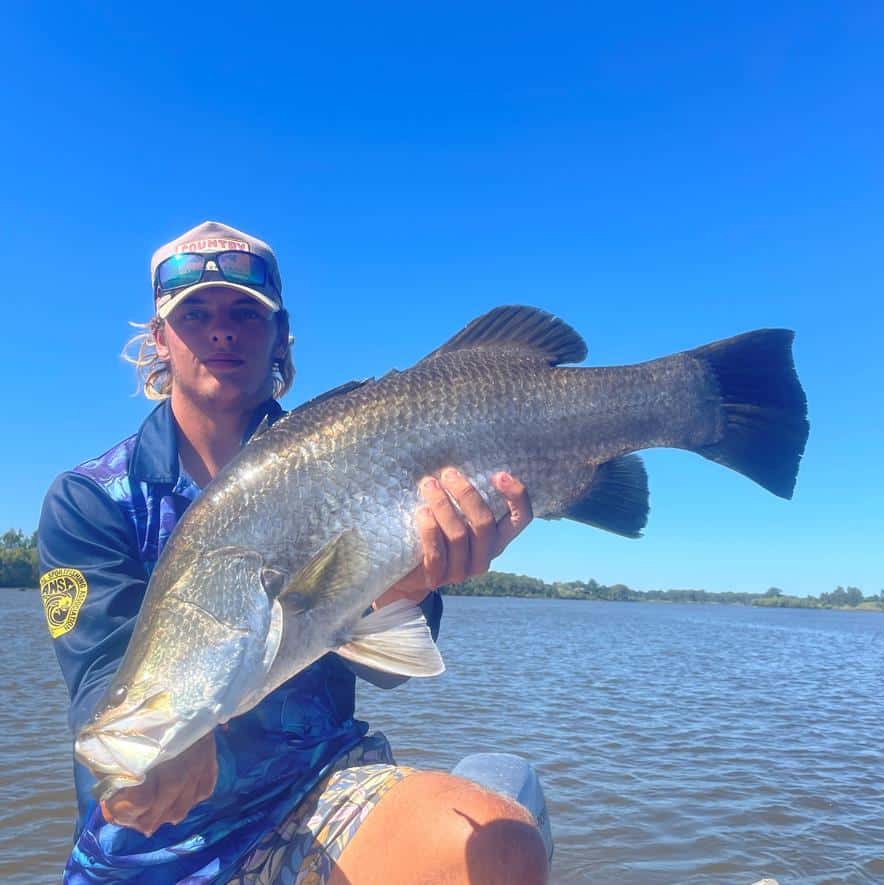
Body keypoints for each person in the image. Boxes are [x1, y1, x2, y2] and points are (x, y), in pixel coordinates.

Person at [38, 221, 550, 884]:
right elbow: (102, 693)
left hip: (316, 794)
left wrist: (409, 585)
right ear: (159, 338)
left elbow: (394, 667)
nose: (221, 330)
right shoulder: (90, 500)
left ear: (280, 336)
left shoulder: (356, 451)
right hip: (149, 853)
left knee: (501, 841)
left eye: (245, 313)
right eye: (194, 313)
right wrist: (146, 763)